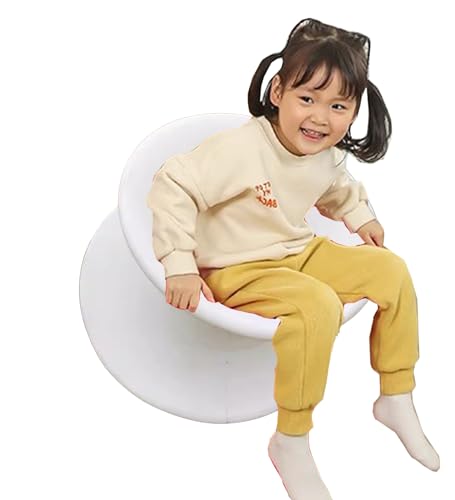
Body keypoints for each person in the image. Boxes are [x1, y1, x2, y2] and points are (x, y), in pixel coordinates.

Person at [146, 17, 440, 500]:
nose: (321, 118)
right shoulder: (242, 148)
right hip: (236, 268)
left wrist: (361, 217)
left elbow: (337, 186)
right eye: (307, 99)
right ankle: (292, 438)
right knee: (317, 305)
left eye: (338, 106)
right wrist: (179, 261)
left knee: (392, 270)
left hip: (296, 251)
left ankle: (396, 393)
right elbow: (172, 184)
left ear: (355, 110)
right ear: (278, 91)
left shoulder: (324, 152)